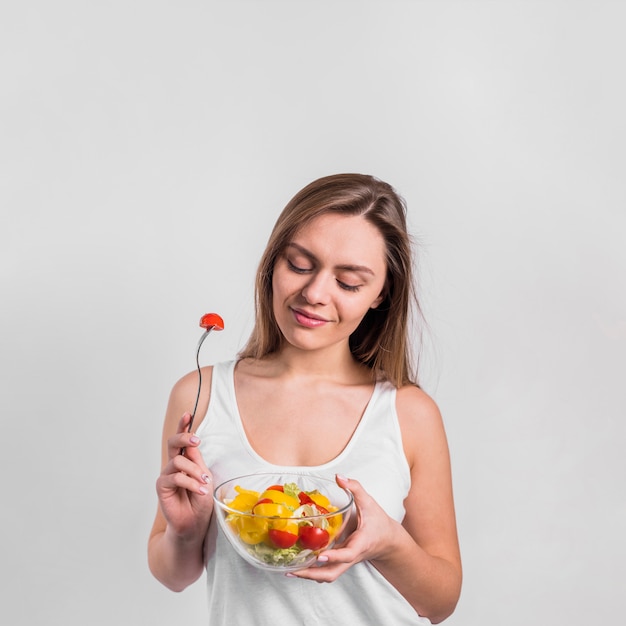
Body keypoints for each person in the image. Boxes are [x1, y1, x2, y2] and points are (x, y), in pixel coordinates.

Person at [148, 173, 462, 624]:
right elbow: (174, 575)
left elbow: (441, 601)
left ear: (381, 294)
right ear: (273, 262)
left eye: (349, 282)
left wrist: (387, 543)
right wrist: (185, 530)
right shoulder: (199, 394)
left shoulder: (408, 413)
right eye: (299, 264)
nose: (314, 294)